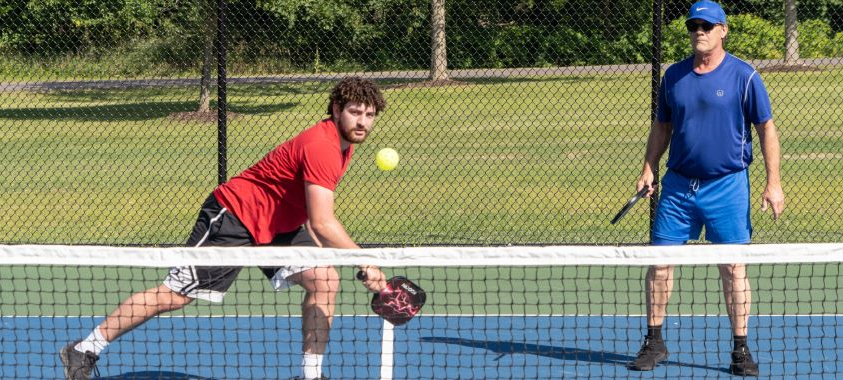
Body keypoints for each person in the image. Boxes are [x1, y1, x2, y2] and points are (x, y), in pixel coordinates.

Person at [60, 77, 390, 380]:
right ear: (336, 110)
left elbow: (314, 218)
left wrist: (345, 259)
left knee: (324, 279)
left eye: (370, 115)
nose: (362, 122)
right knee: (175, 296)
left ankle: (311, 375)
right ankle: (86, 348)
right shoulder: (322, 146)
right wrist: (365, 261)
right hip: (233, 217)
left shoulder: (343, 146)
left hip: (278, 226)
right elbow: (322, 221)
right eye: (355, 112)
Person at [627, 1, 783, 376]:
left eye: (707, 25)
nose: (700, 31)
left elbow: (766, 130)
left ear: (723, 30)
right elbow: (662, 127)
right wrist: (649, 167)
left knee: (732, 267)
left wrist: (773, 183)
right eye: (694, 25)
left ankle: (741, 350)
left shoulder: (745, 76)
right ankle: (654, 340)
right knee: (660, 264)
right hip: (679, 187)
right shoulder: (673, 77)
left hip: (727, 187)